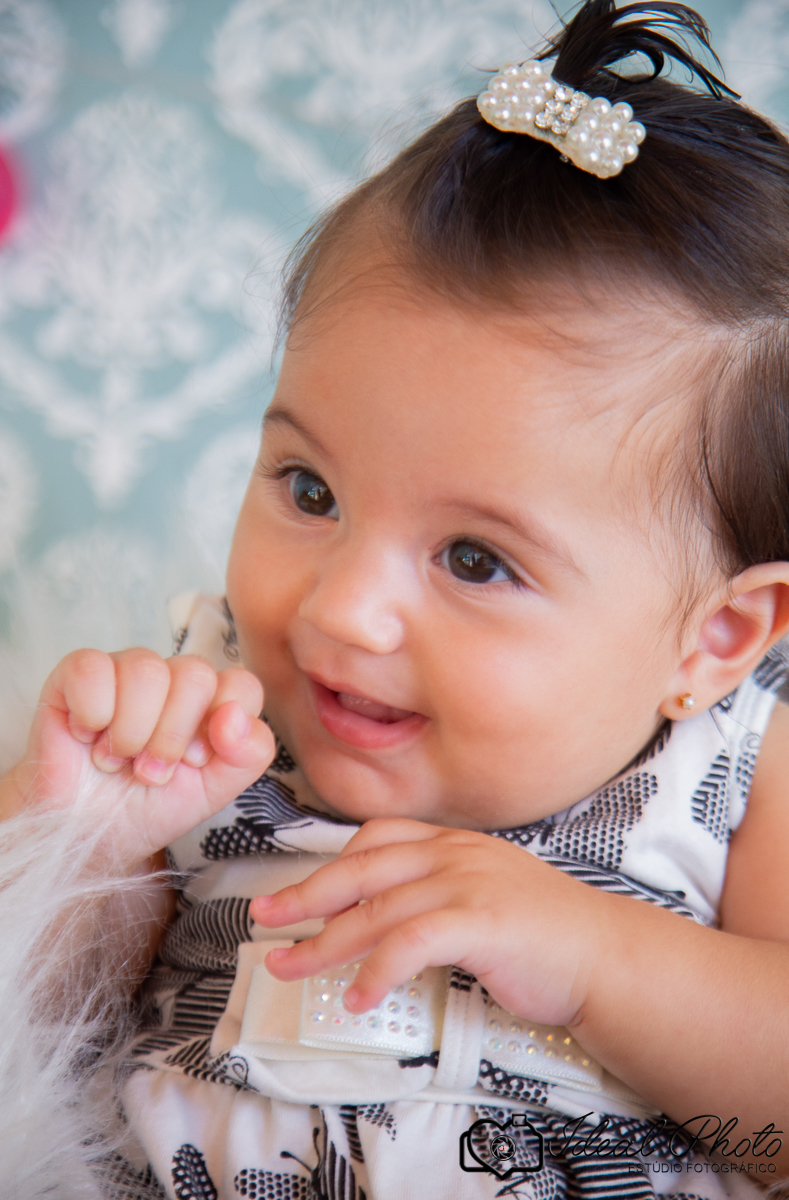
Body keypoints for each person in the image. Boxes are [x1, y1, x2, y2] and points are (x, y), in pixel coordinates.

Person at [3, 1, 789, 1196]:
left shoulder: (736, 767)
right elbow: (37, 1050)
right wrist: (74, 846)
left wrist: (593, 959)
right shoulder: (211, 724)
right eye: (309, 489)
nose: (338, 613)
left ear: (718, 636)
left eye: (475, 560)